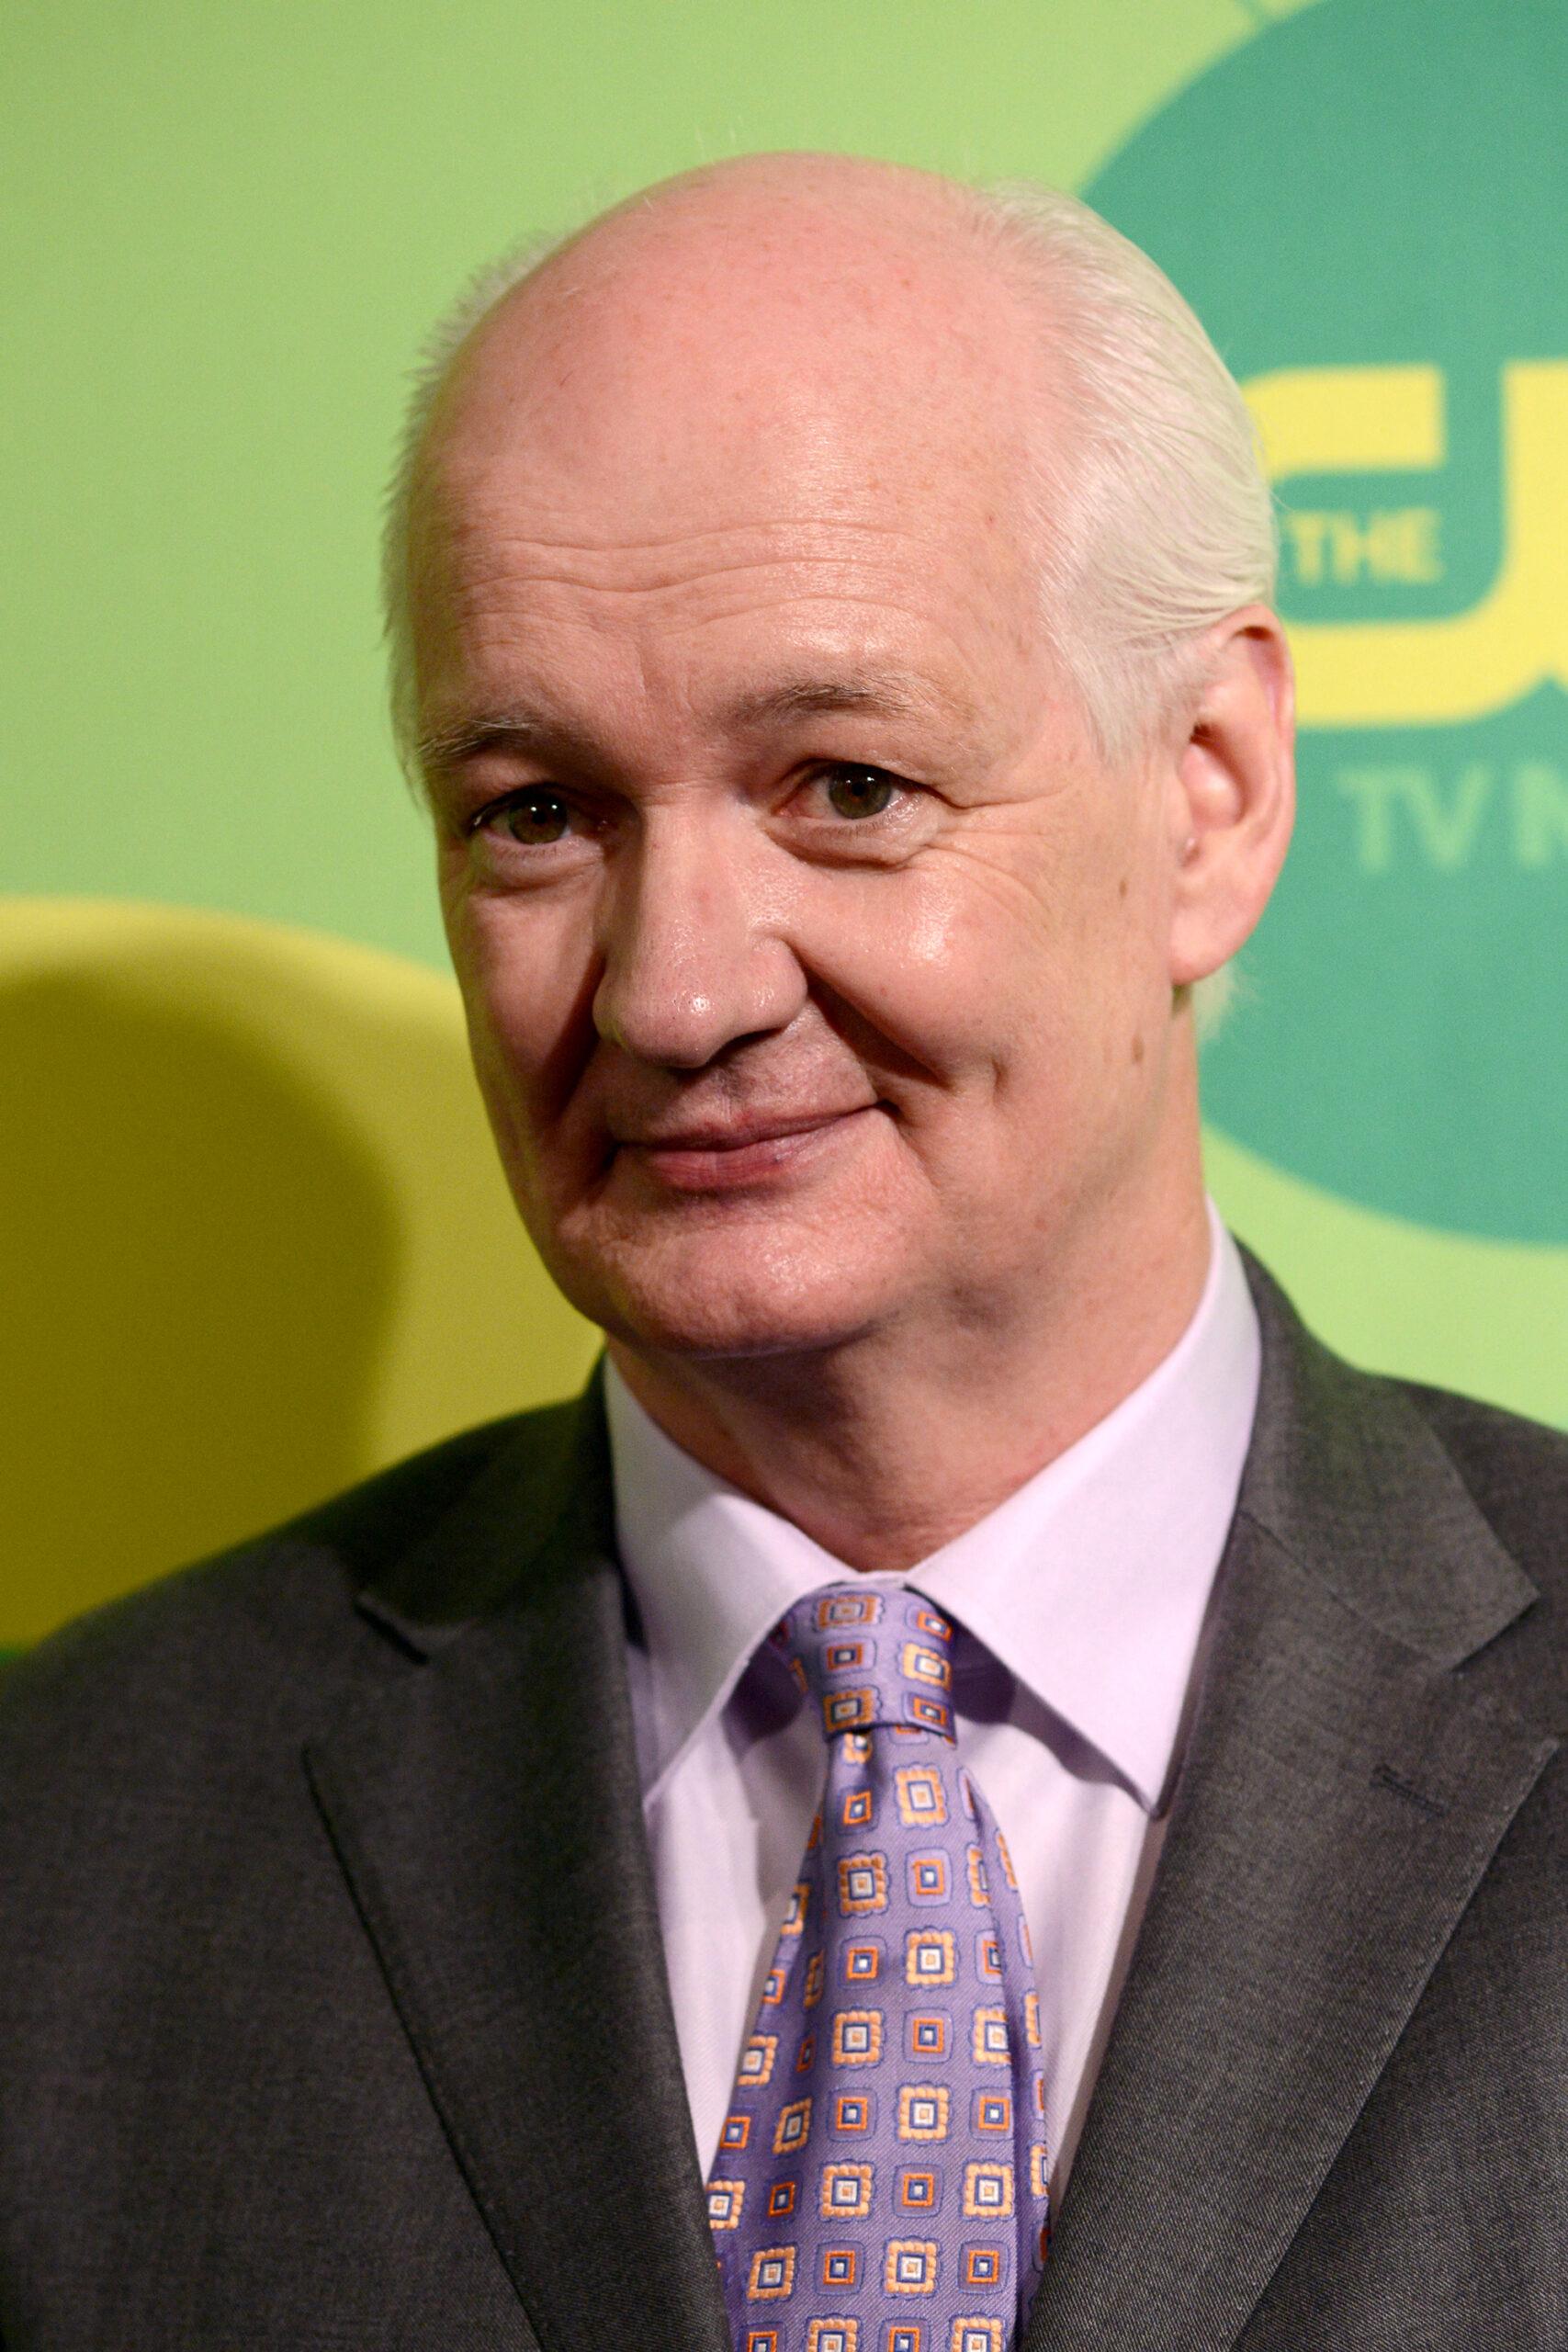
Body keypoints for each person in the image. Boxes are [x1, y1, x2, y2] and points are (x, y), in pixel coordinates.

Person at [0, 153, 1562, 2352]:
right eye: (538, 811)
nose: (672, 989)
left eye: (840, 783)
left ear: (1203, 792)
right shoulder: (65, 1852)